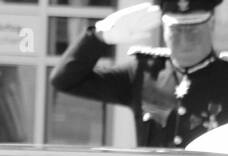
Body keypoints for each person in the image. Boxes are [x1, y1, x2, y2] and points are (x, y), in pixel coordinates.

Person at [51, 0, 228, 148]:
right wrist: (99, 36)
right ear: (164, 28)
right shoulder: (144, 72)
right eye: (176, 29)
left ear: (211, 24)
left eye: (192, 29)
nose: (184, 38)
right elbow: (65, 80)